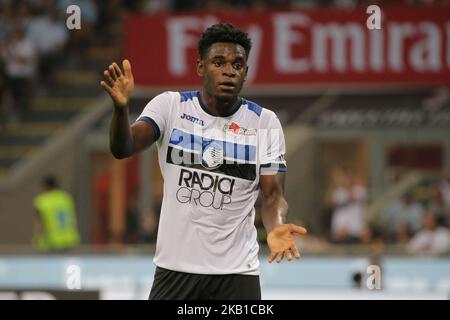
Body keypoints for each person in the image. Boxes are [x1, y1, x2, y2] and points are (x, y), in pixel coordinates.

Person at [101, 23, 308, 300]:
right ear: (200, 67)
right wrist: (120, 108)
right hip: (175, 271)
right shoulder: (170, 106)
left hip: (237, 274)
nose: (229, 70)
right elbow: (123, 147)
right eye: (218, 62)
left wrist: (276, 226)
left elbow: (272, 195)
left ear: (246, 72)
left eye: (237, 64)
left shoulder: (265, 122)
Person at [33, 176, 80, 253]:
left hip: (52, 241)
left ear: (45, 186)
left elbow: (41, 222)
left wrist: (37, 238)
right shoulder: (66, 198)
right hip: (69, 239)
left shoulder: (42, 200)